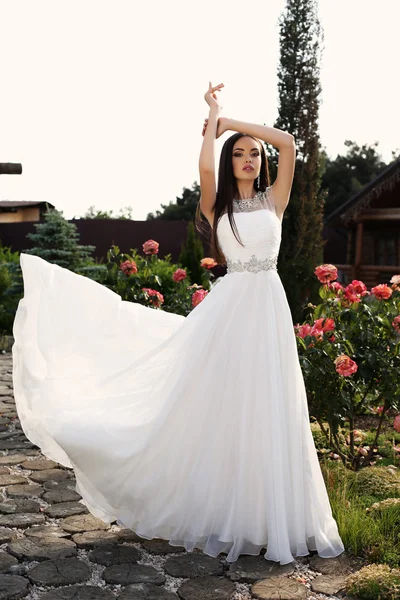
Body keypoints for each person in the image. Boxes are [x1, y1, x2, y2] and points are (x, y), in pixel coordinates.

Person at [12, 81, 345, 566]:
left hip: (268, 309)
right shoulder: (218, 204)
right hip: (230, 311)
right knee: (220, 404)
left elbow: (289, 143)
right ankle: (223, 510)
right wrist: (214, 124)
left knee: (270, 404)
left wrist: (234, 124)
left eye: (254, 154)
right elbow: (205, 167)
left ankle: (269, 516)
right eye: (241, 155)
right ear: (232, 164)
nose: (249, 159)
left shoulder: (276, 200)